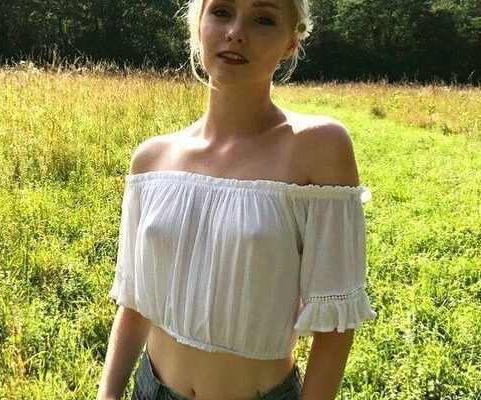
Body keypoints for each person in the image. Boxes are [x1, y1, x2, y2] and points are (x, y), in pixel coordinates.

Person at [96, 0, 377, 399]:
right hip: (151, 389)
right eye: (222, 12)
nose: (236, 33)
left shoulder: (319, 148)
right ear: (199, 25)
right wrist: (108, 393)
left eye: (263, 19)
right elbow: (135, 300)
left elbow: (335, 326)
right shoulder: (151, 159)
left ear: (290, 43)